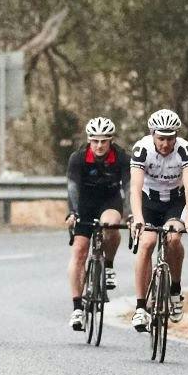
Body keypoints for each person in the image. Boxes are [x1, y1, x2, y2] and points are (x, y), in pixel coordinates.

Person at [128, 108, 188, 332]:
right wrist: (138, 218)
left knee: (174, 239)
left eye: (170, 138)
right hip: (149, 201)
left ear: (176, 136)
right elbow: (136, 188)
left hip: (175, 203)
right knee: (147, 242)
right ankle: (140, 307)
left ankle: (175, 291)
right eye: (161, 138)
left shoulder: (185, 150)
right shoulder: (142, 149)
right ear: (152, 134)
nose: (165, 144)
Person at [63, 116, 128, 331]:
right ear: (89, 140)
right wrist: (72, 212)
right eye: (95, 141)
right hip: (85, 203)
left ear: (111, 141)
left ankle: (108, 266)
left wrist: (130, 213)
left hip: (110, 201)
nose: (99, 145)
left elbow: (129, 187)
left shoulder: (121, 157)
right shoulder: (78, 158)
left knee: (111, 225)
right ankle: (77, 308)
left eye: (104, 141)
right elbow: (72, 187)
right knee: (80, 250)